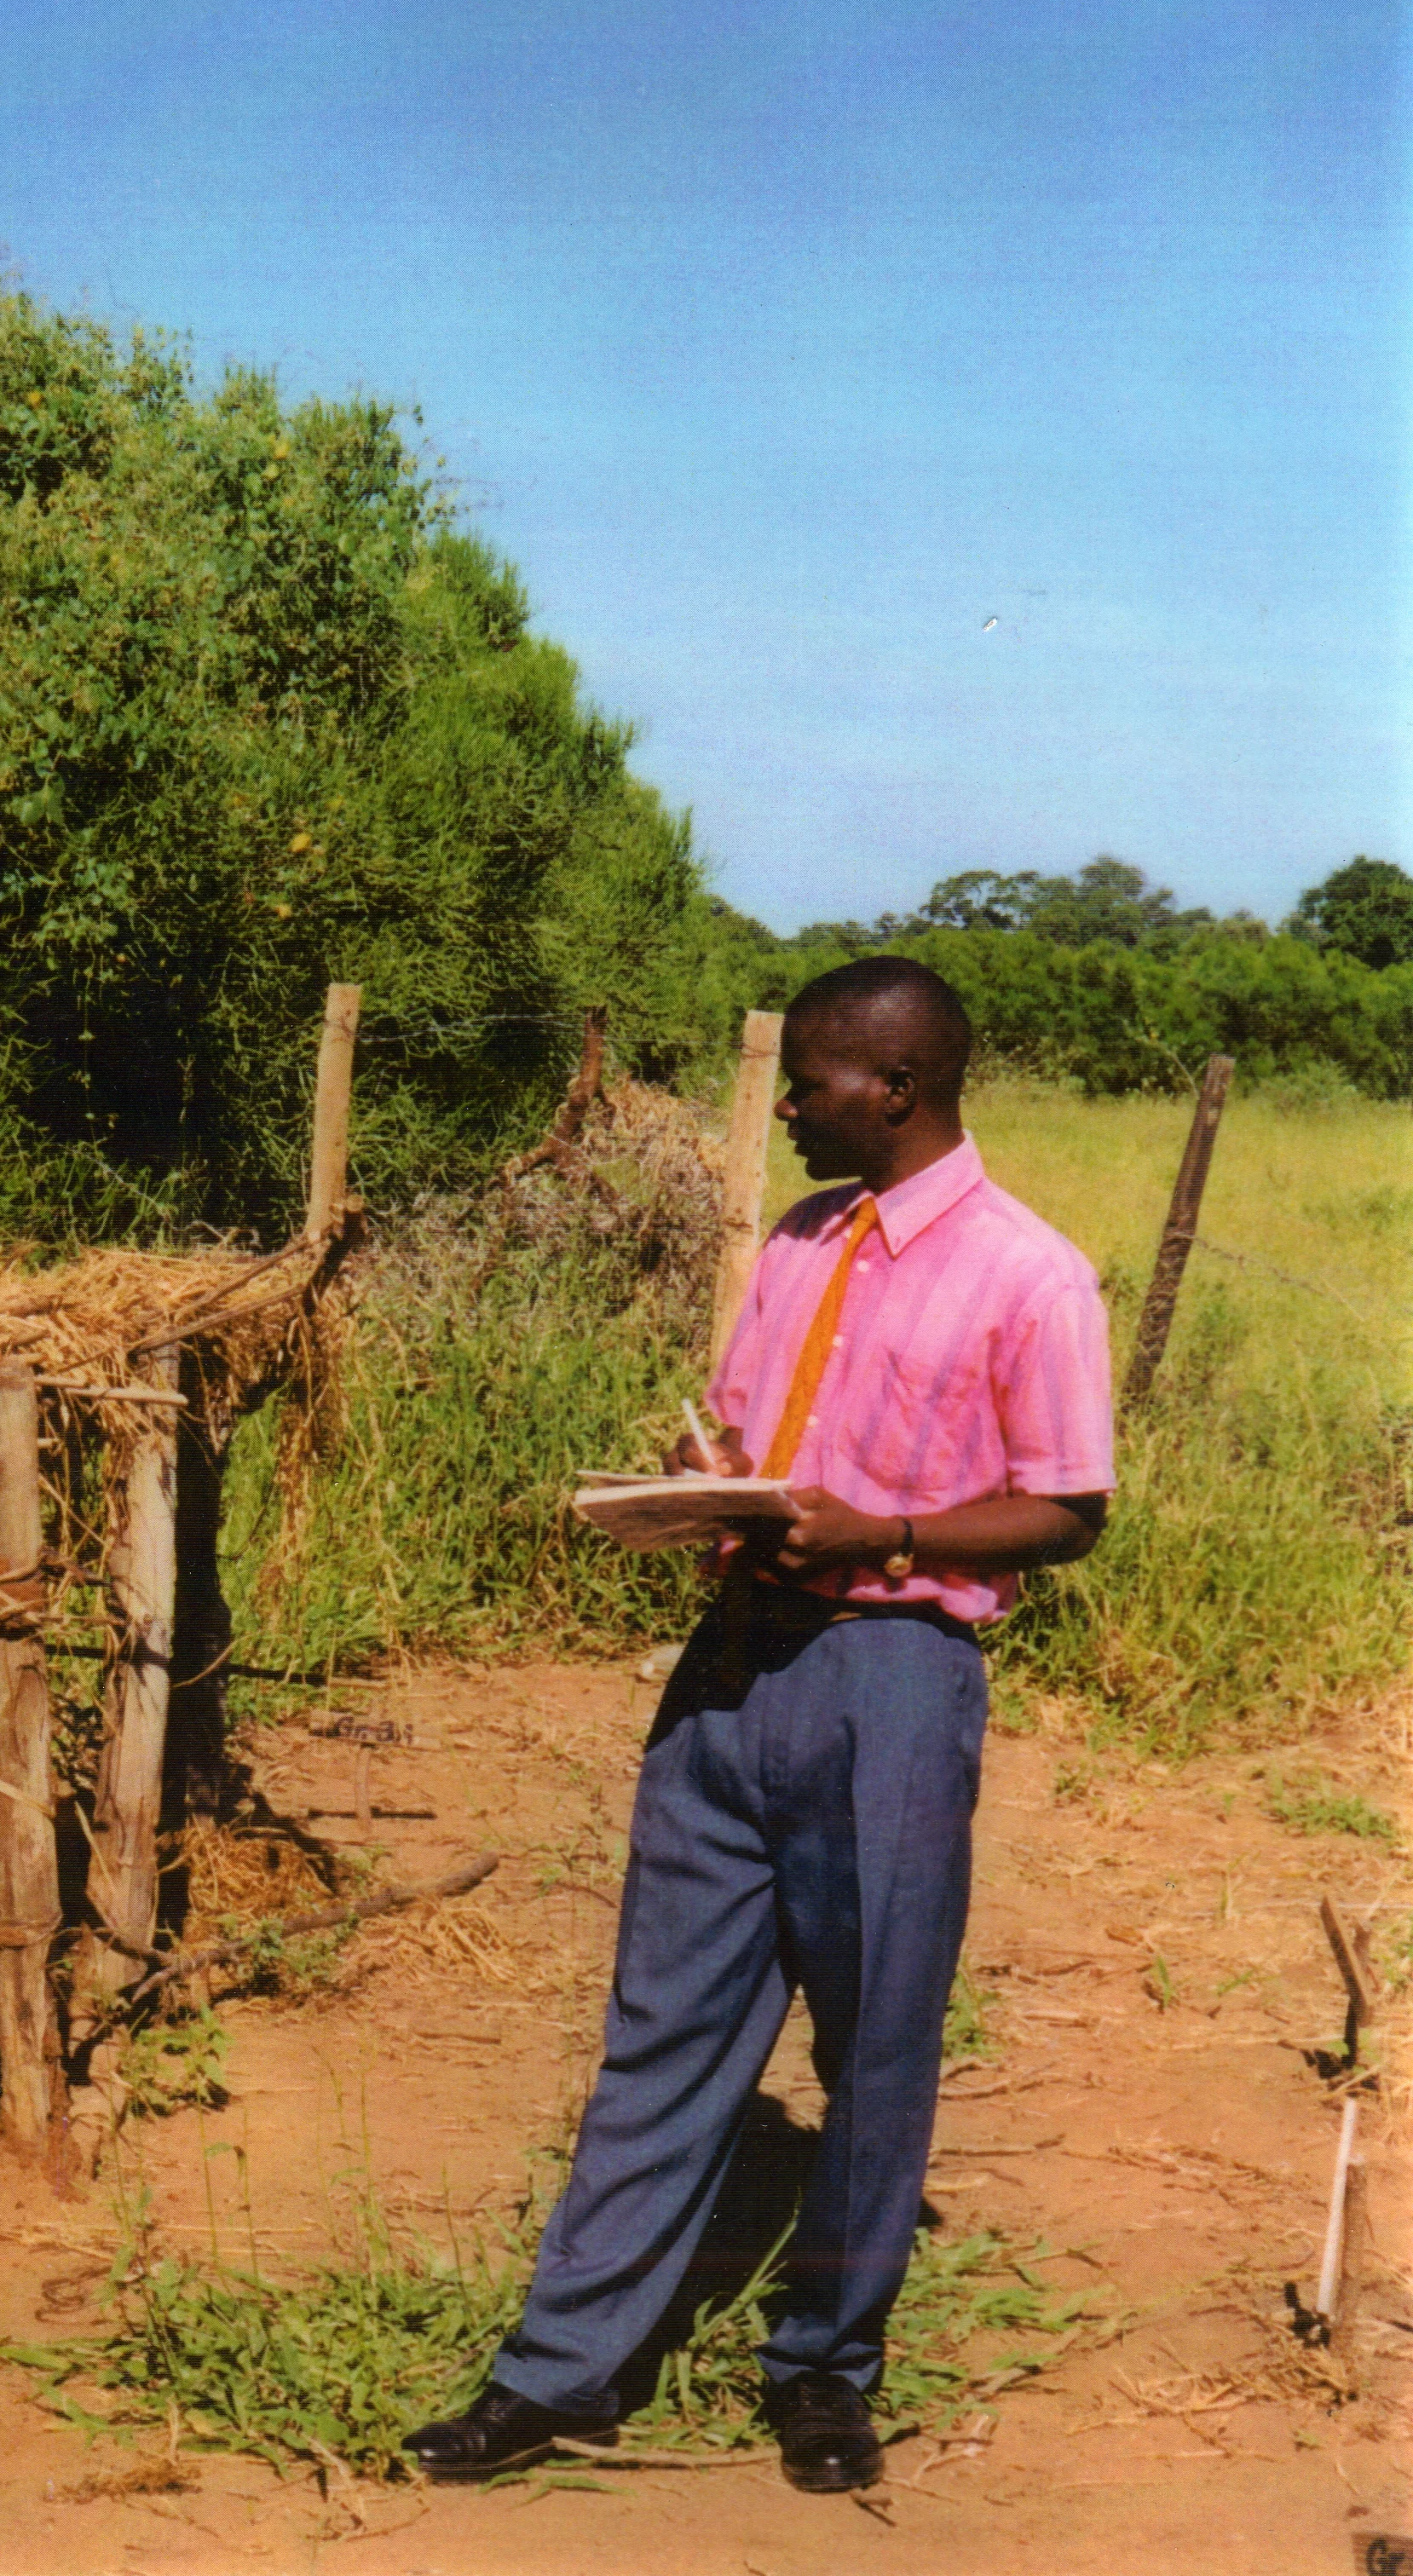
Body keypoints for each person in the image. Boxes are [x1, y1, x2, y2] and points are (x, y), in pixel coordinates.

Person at [403, 956, 1115, 2493]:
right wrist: (706, 1471)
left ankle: (823, 2369)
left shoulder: (1028, 1272)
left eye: (808, 1080)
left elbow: (1067, 1505)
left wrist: (893, 1533)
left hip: (890, 1688)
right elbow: (748, 1428)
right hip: (728, 1671)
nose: (786, 1104)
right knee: (661, 2033)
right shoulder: (797, 1241)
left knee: (874, 2044)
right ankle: (559, 2372)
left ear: (897, 1088)